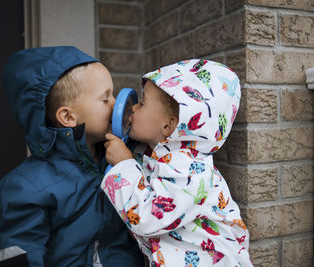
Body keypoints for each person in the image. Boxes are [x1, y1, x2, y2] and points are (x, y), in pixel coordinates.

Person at [0, 46, 144, 267]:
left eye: (113, 94)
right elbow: (19, 251)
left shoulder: (119, 158)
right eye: (105, 99)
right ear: (68, 116)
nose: (115, 105)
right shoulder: (26, 186)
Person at [101, 59, 253, 266]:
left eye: (142, 104)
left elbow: (149, 217)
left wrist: (123, 165)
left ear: (169, 125)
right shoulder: (160, 154)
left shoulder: (191, 169)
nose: (134, 108)